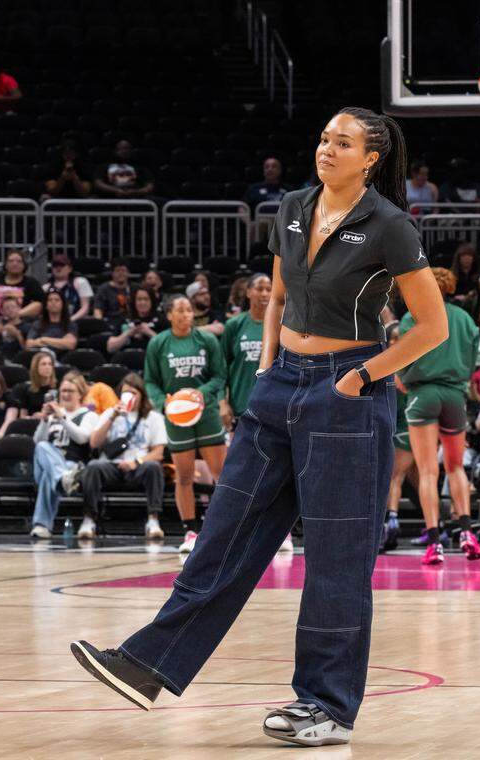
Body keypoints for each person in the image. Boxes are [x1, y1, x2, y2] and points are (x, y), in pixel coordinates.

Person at [71, 106, 444, 747]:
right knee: (225, 530)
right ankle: (149, 662)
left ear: (371, 159)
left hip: (347, 393)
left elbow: (430, 328)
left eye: (343, 142)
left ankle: (324, 706)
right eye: (325, 138)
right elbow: (276, 296)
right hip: (281, 386)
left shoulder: (390, 226)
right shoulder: (294, 206)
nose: (327, 149)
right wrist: (270, 366)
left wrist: (360, 377)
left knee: (334, 562)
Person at [398, 268, 480, 565]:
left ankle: (435, 543)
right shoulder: (465, 319)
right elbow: (472, 363)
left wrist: (404, 382)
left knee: (428, 471)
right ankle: (468, 534)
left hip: (423, 393)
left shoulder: (414, 317)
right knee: (456, 466)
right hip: (455, 395)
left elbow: (400, 364)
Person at [143, 295, 228, 554]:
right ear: (169, 315)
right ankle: (190, 531)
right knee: (184, 476)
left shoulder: (207, 340)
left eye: (189, 310)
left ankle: (225, 529)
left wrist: (200, 393)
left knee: (222, 476)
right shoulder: (158, 343)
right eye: (179, 310)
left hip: (207, 412)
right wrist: (163, 403)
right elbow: (150, 382)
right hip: (176, 416)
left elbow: (219, 375)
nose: (185, 314)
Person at [82, 373, 168, 541]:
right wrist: (112, 417)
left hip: (139, 465)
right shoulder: (109, 413)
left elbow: (158, 452)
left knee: (154, 467)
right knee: (93, 466)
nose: (129, 397)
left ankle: (153, 520)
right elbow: (94, 443)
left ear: (141, 395)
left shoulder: (153, 417)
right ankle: (89, 519)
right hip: (112, 465)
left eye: (133, 393)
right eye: (125, 392)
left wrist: (137, 462)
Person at [29, 373, 98, 539]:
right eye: (63, 391)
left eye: (70, 391)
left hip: (73, 467)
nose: (65, 395)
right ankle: (62, 479)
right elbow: (37, 441)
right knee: (43, 446)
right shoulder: (52, 415)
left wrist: (63, 418)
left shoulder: (89, 415)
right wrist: (45, 420)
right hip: (56, 468)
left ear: (80, 393)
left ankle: (42, 526)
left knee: (49, 475)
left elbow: (82, 438)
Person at [220, 274, 271, 430]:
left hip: (271, 406)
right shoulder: (234, 325)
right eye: (259, 288)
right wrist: (222, 402)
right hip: (240, 404)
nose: (264, 293)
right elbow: (221, 368)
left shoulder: (281, 326)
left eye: (268, 289)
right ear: (248, 292)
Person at [381, 323, 415, 552]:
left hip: (408, 428)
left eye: (398, 338)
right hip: (389, 429)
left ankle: (390, 522)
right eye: (391, 339)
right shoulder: (381, 364)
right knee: (419, 480)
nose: (394, 342)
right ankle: (439, 527)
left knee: (395, 476)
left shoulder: (412, 366)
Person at [0, 249, 45, 320]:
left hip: (19, 321)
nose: (15, 264)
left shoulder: (31, 282)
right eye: (11, 261)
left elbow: (39, 303)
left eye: (19, 261)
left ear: (24, 265)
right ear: (6, 265)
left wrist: (18, 314)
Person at [106, 288, 167, 354]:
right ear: (134, 301)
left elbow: (168, 348)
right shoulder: (124, 318)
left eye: (146, 299)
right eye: (139, 299)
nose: (142, 302)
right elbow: (110, 348)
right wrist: (129, 333)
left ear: (152, 301)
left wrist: (148, 332)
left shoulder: (162, 320)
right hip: (127, 358)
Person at [47, 253, 93, 320]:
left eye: (62, 265)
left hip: (76, 320)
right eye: (55, 265)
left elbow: (85, 307)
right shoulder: (46, 287)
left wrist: (70, 320)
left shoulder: (80, 282)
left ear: (70, 269)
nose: (58, 268)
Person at [15, 352, 57, 418]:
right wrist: (34, 417)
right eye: (43, 364)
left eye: (50, 364)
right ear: (35, 367)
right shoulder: (26, 389)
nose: (47, 367)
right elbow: (23, 416)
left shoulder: (59, 387)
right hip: (34, 423)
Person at [92, 259, 132, 324]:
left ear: (128, 273)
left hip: (130, 322)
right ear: (112, 273)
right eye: (117, 270)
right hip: (110, 321)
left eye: (123, 270)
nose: (121, 273)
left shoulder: (134, 288)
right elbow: (98, 310)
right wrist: (99, 324)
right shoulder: (103, 289)